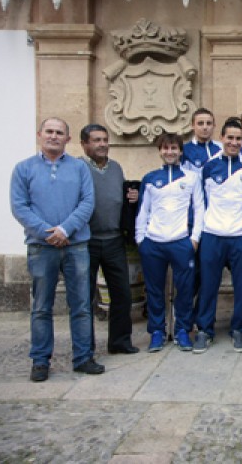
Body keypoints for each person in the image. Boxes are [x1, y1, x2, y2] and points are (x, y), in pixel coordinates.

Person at [11, 117, 103, 382]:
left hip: (76, 245)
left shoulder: (79, 168)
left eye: (59, 133)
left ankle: (83, 357)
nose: (53, 136)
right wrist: (47, 232)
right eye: (49, 131)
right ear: (40, 134)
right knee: (41, 306)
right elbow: (20, 207)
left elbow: (87, 202)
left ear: (68, 139)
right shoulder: (23, 169)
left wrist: (65, 230)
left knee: (82, 304)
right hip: (41, 247)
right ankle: (40, 361)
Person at [193, 119, 242, 354]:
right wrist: (197, 235)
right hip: (212, 235)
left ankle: (239, 328)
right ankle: (205, 330)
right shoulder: (208, 166)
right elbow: (200, 203)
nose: (234, 142)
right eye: (229, 138)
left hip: (240, 235)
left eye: (238, 138)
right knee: (209, 286)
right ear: (222, 139)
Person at [136, 133, 203, 353]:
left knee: (184, 290)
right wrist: (141, 240)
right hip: (153, 243)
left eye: (174, 148)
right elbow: (143, 211)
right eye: (165, 148)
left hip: (181, 242)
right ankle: (157, 331)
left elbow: (198, 209)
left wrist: (194, 239)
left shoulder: (191, 178)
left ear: (180, 151)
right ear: (160, 151)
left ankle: (182, 330)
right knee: (155, 290)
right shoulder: (150, 177)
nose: (170, 152)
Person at [79, 123, 139, 355]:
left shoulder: (115, 168)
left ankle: (119, 341)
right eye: (96, 140)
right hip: (86, 240)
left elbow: (119, 197)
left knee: (121, 293)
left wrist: (132, 196)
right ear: (85, 144)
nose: (103, 144)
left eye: (105, 139)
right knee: (85, 297)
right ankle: (86, 347)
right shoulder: (78, 168)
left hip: (114, 239)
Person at [181, 108, 221, 173]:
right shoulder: (184, 150)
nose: (205, 127)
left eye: (209, 123)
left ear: (214, 126)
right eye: (200, 123)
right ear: (192, 126)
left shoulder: (221, 148)